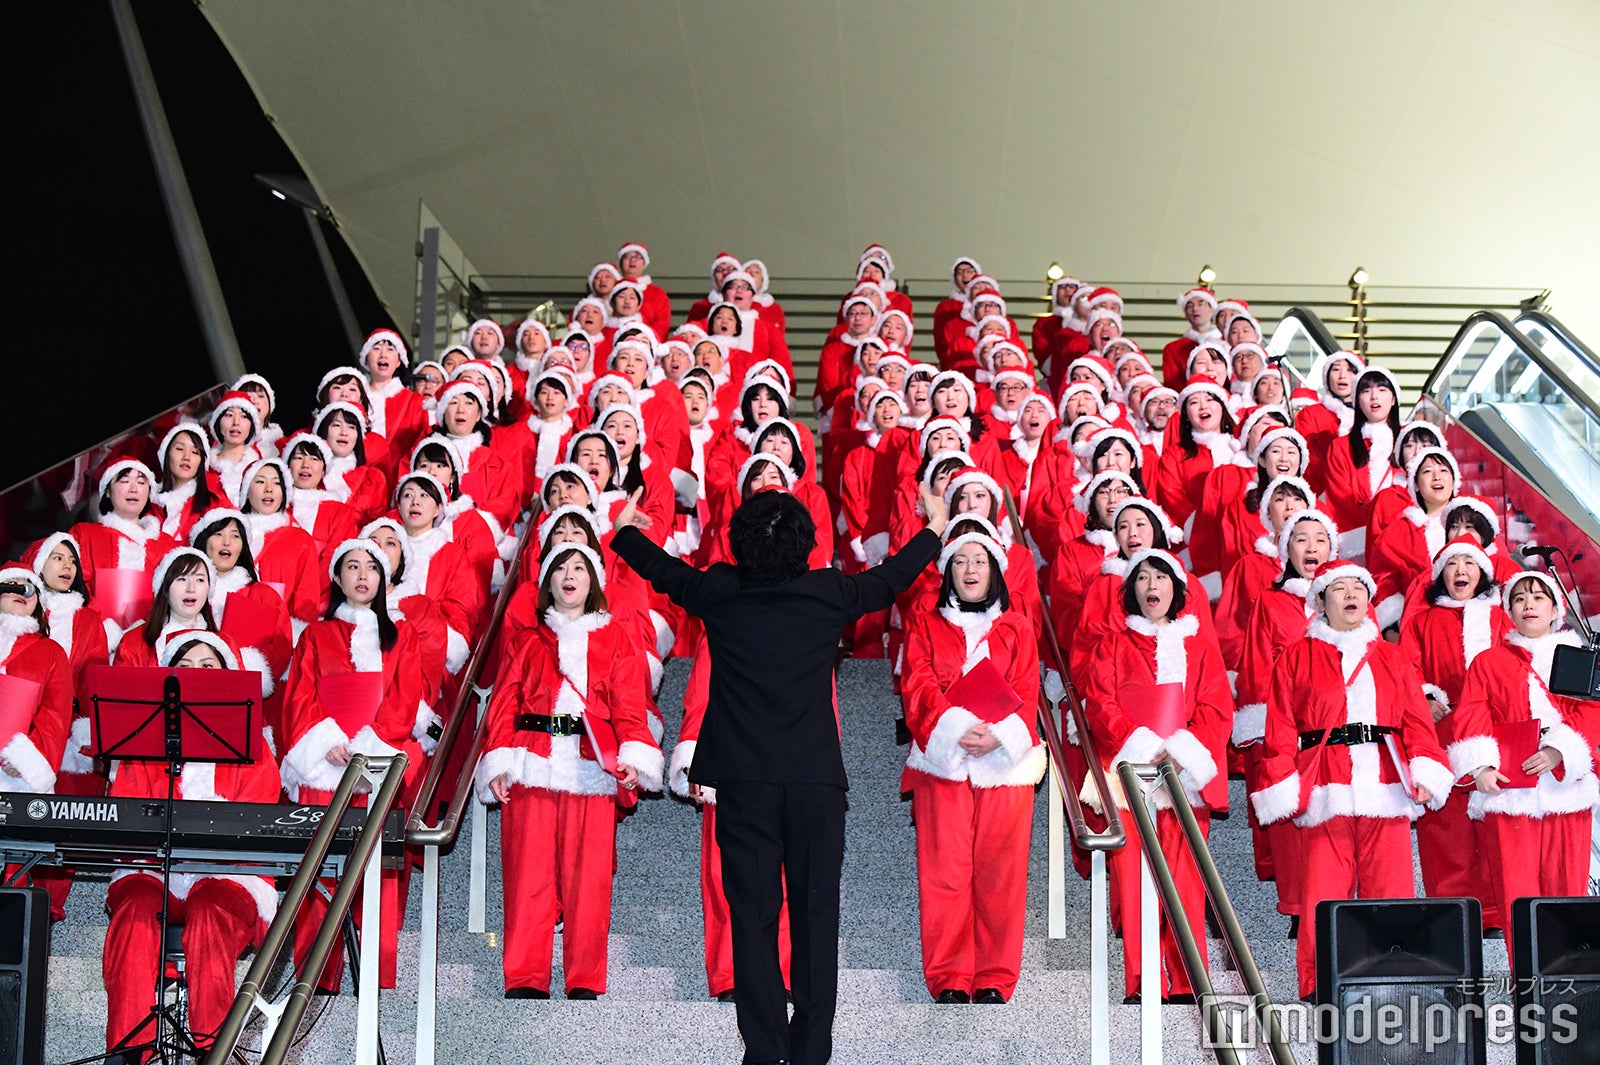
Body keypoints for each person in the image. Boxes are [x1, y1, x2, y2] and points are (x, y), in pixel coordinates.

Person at [610, 485, 949, 1065]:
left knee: (753, 918)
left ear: (741, 545)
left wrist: (622, 529)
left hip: (743, 786)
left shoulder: (719, 590)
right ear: (805, 544)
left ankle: (765, 1052)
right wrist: (934, 529)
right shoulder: (826, 593)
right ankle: (811, 1050)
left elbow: (664, 570)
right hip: (814, 784)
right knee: (817, 918)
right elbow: (890, 578)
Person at [1250, 560, 1454, 999]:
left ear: (1369, 598)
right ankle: (1318, 982)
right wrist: (1284, 784)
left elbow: (1417, 722)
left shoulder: (1393, 657)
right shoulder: (1295, 657)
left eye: (1357, 587)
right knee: (1323, 893)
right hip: (1326, 788)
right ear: (1320, 601)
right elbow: (1280, 730)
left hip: (1385, 784)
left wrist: (1424, 771)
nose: (1349, 595)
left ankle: (1394, 980)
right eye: (1337, 589)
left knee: (1392, 889)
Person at [474, 542, 662, 999]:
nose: (569, 575)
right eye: (560, 567)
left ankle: (584, 978)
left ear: (593, 580)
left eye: (579, 566)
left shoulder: (618, 639)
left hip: (591, 768)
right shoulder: (526, 638)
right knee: (527, 877)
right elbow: (502, 705)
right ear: (547, 582)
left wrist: (633, 759)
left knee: (589, 882)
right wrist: (497, 760)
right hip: (531, 763)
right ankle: (525, 976)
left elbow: (630, 708)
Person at [101, 631, 281, 1058]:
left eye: (208, 666)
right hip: (152, 869)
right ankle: (128, 1052)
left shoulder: (253, 744)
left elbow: (256, 819)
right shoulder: (142, 744)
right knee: (136, 909)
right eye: (185, 667)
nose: (197, 675)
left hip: (227, 875)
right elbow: (125, 814)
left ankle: (211, 1050)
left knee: (210, 909)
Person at [901, 529, 1042, 1004]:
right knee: (944, 871)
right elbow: (916, 683)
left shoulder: (1019, 626)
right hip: (943, 761)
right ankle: (949, 976)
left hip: (1004, 765)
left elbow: (1027, 687)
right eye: (960, 562)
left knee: (1001, 872)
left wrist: (1000, 737)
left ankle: (995, 976)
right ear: (947, 572)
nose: (970, 570)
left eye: (979, 560)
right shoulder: (925, 622)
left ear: (995, 569)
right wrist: (954, 728)